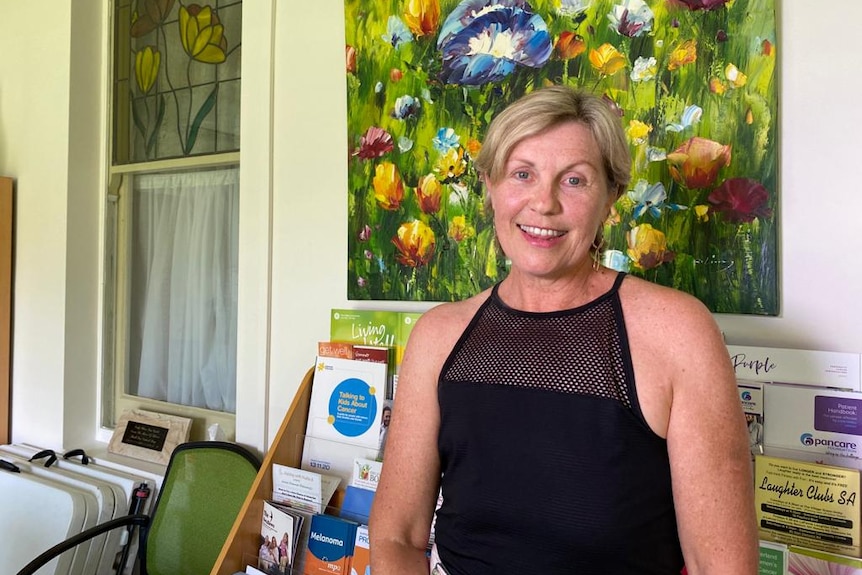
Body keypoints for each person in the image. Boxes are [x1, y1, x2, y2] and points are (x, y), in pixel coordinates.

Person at [368, 85, 758, 574]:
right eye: (522, 174)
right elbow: (396, 538)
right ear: (490, 186)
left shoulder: (678, 333)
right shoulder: (437, 336)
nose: (544, 204)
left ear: (611, 197)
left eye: (574, 181)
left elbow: (721, 567)